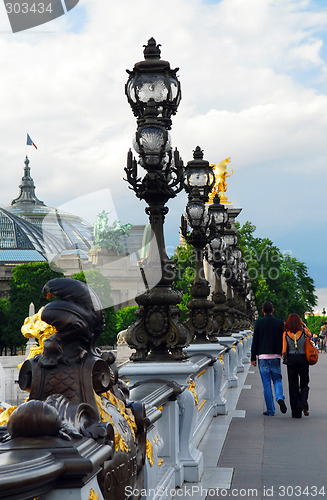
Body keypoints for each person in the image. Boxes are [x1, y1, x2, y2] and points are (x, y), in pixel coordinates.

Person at [251, 301, 287, 416]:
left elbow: (255, 341)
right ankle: (279, 397)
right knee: (277, 379)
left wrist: (253, 358)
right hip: (276, 355)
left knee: (266, 384)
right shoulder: (279, 323)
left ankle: (270, 410)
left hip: (262, 356)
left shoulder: (259, 323)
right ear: (273, 310)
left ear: (262, 311)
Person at [282, 313, 312, 418]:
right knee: (304, 383)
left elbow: (284, 350)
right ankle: (303, 403)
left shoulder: (285, 333)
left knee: (293, 385)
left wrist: (285, 358)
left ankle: (296, 412)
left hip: (291, 359)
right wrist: (304, 325)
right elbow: (311, 334)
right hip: (303, 359)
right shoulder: (303, 332)